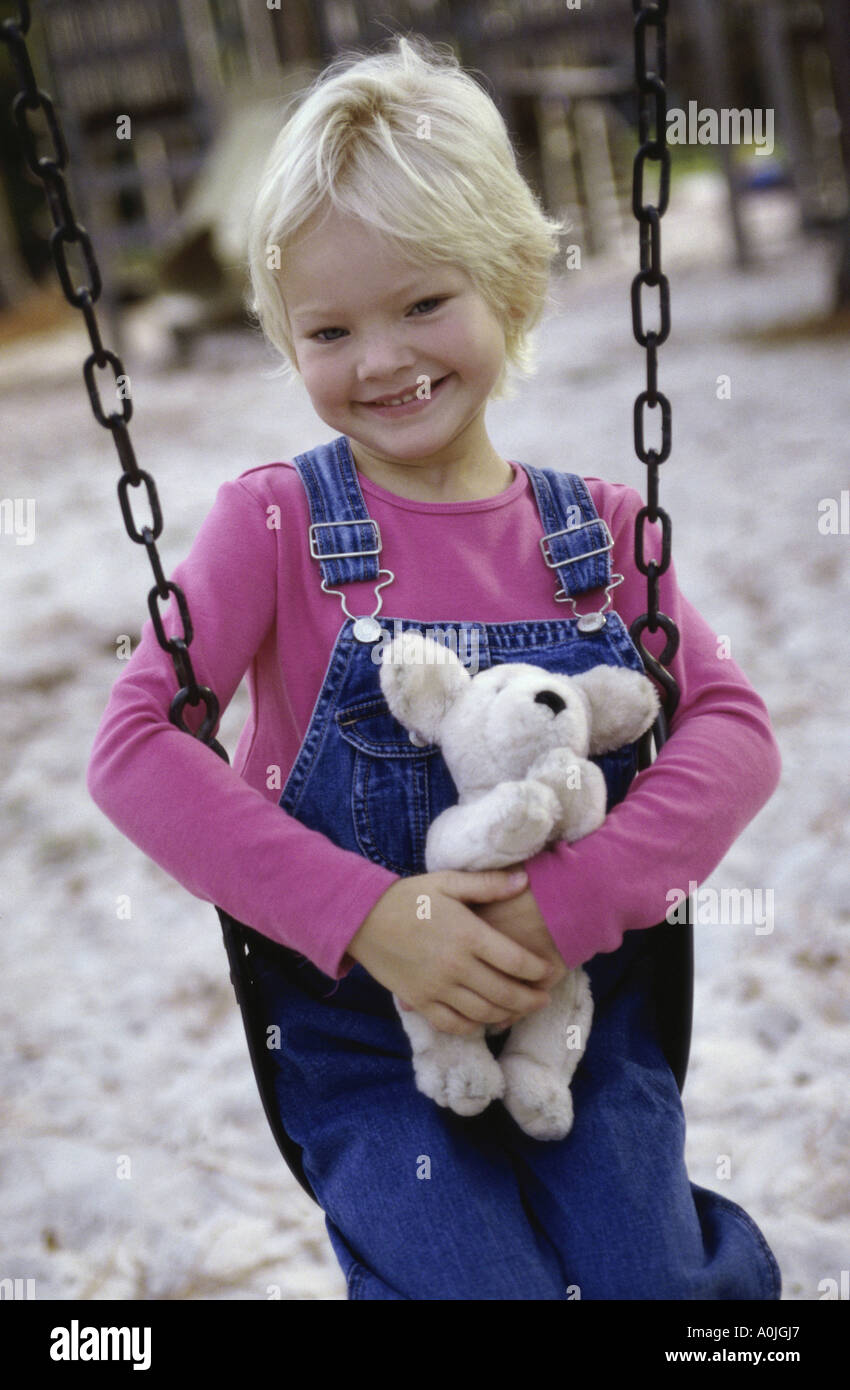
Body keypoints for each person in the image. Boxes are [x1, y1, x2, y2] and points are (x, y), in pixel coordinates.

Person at [86, 34, 782, 1300]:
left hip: (577, 1010)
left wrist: (580, 896)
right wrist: (366, 915)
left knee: (653, 1285)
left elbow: (733, 727)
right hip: (359, 1026)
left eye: (422, 304)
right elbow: (135, 746)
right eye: (331, 327)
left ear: (509, 281)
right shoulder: (277, 525)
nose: (382, 359)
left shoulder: (602, 531)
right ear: (286, 335)